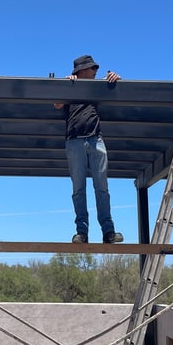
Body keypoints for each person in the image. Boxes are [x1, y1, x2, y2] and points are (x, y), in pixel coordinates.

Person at [54, 54, 124, 244]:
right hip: (74, 140)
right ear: (81, 71)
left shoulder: (98, 87)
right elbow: (57, 103)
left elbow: (119, 88)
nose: (95, 71)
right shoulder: (70, 86)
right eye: (92, 68)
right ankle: (81, 233)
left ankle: (108, 232)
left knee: (102, 187)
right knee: (79, 189)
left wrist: (115, 77)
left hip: (96, 139)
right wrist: (65, 84)